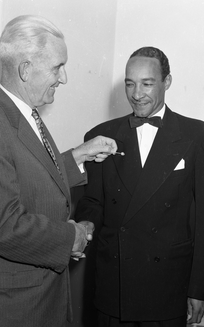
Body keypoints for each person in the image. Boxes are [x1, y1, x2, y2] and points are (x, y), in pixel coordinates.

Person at [74, 46, 204, 327]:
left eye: (147, 84)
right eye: (130, 84)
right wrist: (86, 227)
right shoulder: (99, 136)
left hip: (167, 286)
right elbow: (93, 202)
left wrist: (199, 290)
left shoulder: (201, 137)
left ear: (167, 82)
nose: (137, 94)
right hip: (113, 283)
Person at [0, 15, 118, 327]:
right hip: (19, 308)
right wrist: (72, 237)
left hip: (42, 297)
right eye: (57, 67)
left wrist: (77, 156)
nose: (63, 78)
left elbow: (25, 174)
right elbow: (4, 225)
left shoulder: (22, 113)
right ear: (26, 69)